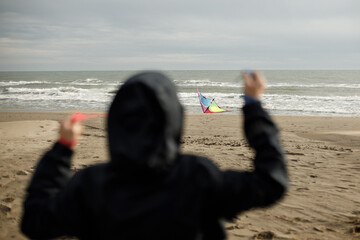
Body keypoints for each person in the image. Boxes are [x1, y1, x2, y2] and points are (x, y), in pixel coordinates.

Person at [21, 71, 288, 239]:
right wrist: (254, 106)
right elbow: (272, 181)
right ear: (174, 121)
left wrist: (62, 150)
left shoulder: (90, 184)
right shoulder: (197, 176)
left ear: (117, 122)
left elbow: (35, 220)